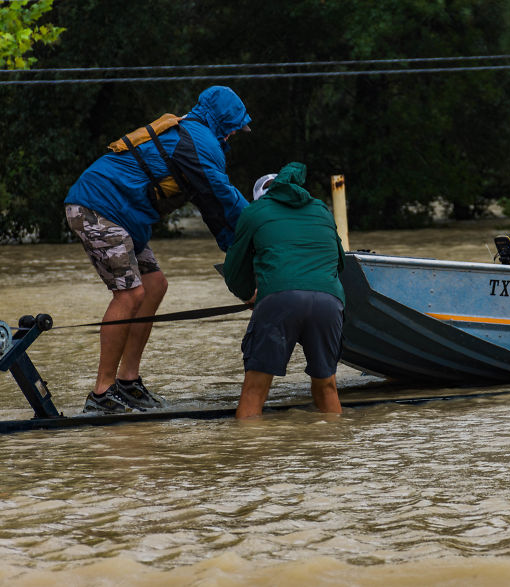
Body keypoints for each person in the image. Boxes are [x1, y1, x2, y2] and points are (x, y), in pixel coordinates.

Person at [64, 86, 252, 414]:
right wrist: (258, 233)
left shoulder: (197, 138)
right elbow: (224, 200)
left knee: (154, 285)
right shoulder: (200, 143)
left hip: (124, 216)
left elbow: (214, 211)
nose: (235, 133)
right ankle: (101, 393)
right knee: (130, 295)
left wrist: (237, 253)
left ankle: (128, 382)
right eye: (234, 126)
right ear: (221, 121)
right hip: (96, 207)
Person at [223, 162, 346, 419]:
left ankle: (247, 442)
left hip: (279, 299)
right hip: (328, 301)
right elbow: (340, 262)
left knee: (255, 388)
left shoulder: (254, 212)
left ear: (260, 197)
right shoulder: (321, 210)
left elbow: (234, 270)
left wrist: (249, 295)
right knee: (327, 385)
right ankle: (335, 440)